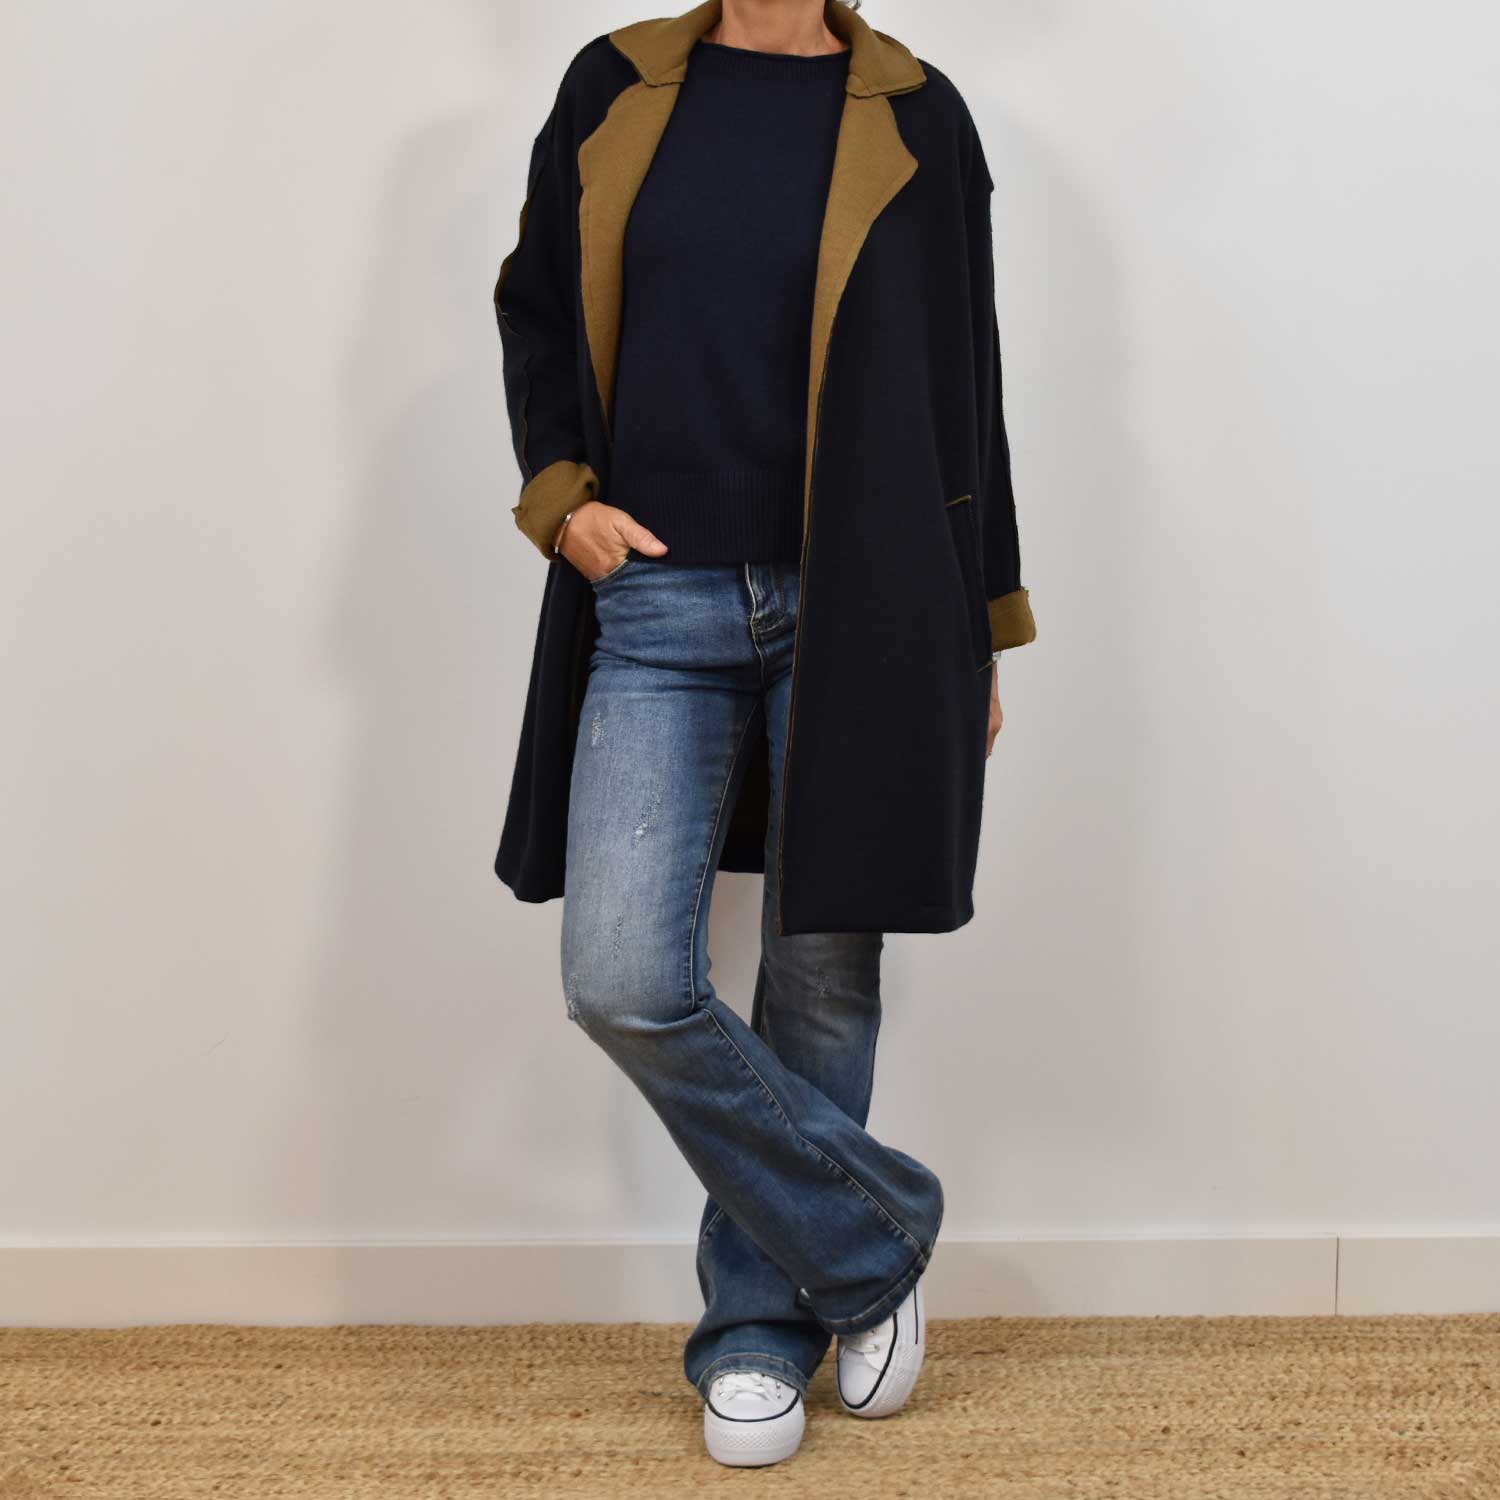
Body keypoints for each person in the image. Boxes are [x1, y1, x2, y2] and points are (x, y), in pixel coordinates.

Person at [492, 0, 1035, 1468]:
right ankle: (876, 1238)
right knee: (622, 975)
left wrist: (982, 618)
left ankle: (753, 1331)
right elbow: (536, 305)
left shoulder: (918, 110)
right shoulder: (614, 84)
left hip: (867, 605)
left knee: (821, 975)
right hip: (656, 599)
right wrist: (561, 496)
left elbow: (967, 377)